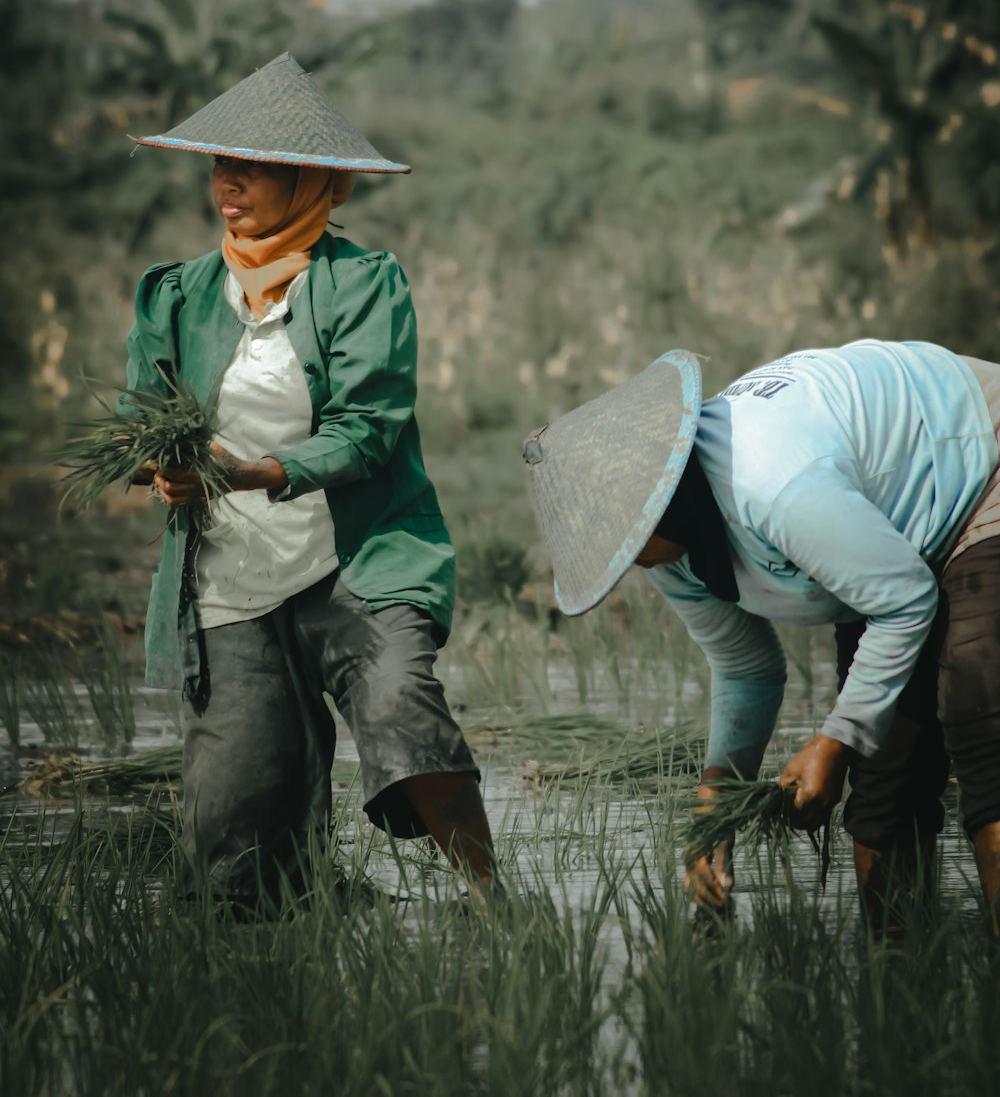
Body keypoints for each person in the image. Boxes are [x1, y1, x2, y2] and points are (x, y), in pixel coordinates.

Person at [125, 52, 494, 908]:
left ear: (311, 181)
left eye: (254, 168)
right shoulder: (174, 297)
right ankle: (302, 925)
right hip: (230, 579)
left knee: (403, 711)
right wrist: (165, 469)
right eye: (222, 165)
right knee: (235, 846)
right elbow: (146, 423)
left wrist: (262, 471)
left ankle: (494, 907)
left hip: (353, 561)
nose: (230, 185)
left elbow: (368, 429)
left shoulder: (363, 284)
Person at [522, 341, 1000, 933]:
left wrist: (833, 740)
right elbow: (746, 667)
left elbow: (905, 601)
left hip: (978, 459)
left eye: (623, 545)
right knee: (884, 783)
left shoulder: (770, 481)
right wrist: (713, 809)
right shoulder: (670, 551)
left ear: (658, 501)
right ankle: (901, 983)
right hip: (884, 542)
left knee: (980, 708)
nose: (627, 566)